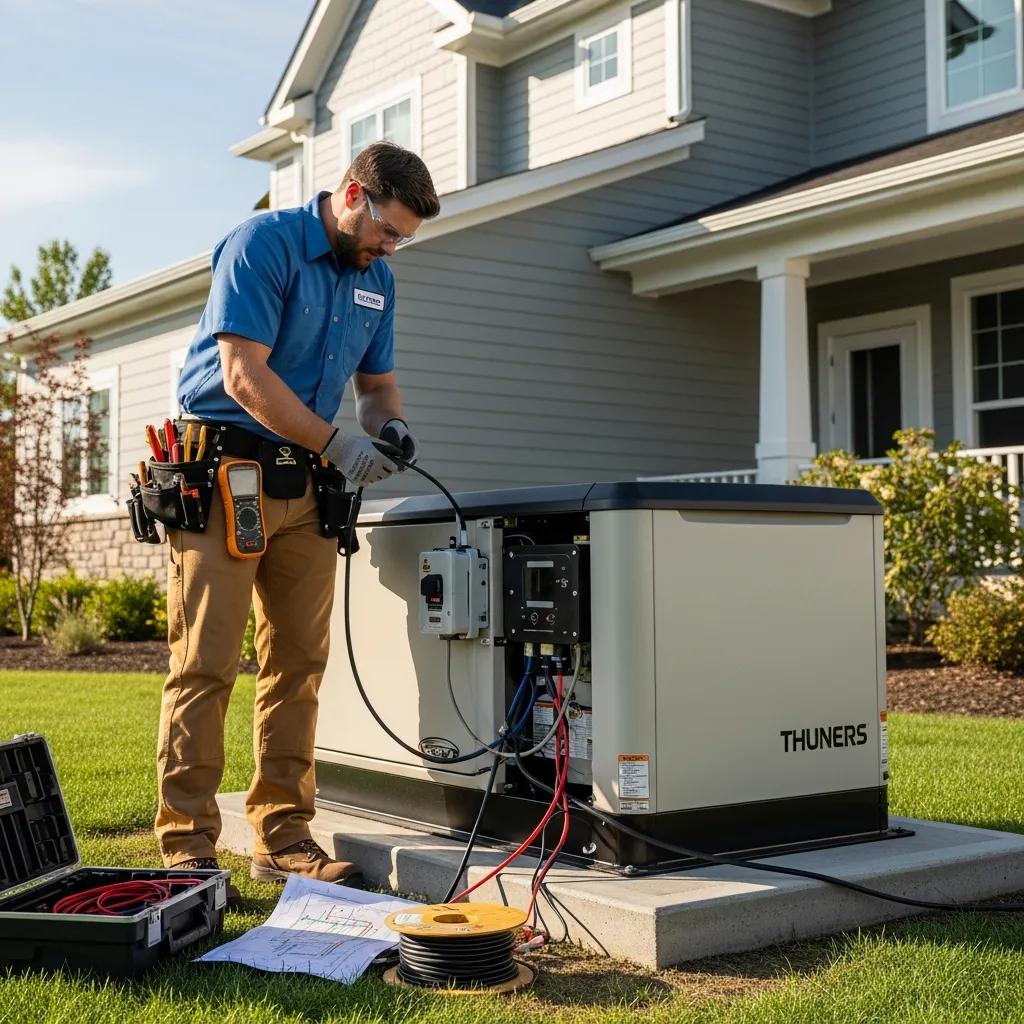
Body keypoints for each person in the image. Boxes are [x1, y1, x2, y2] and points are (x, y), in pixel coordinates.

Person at [156, 142, 439, 895]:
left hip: (310, 487)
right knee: (206, 664)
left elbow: (376, 386)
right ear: (353, 195)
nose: (391, 247)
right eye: (388, 229)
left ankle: (282, 835)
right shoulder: (263, 245)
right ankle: (187, 844)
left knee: (298, 666)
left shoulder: (376, 280)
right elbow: (244, 375)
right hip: (226, 475)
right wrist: (339, 442)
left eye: (404, 238)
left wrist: (387, 427)